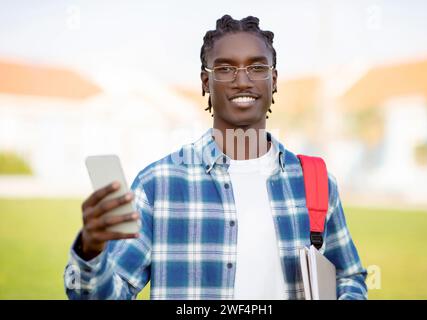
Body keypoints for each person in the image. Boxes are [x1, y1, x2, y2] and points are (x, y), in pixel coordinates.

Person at [64, 14, 367, 300]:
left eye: (257, 67)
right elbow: (107, 293)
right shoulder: (159, 184)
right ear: (205, 82)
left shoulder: (315, 182)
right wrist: (91, 251)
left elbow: (348, 276)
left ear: (273, 80)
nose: (242, 80)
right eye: (225, 68)